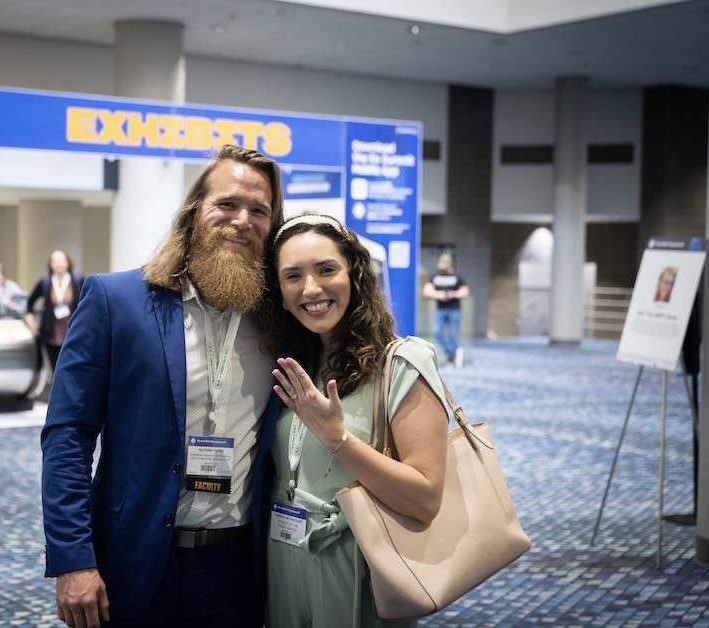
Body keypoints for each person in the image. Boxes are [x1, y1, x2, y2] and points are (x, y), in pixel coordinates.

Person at [40, 144, 285, 628]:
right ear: (195, 212)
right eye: (228, 204)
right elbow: (68, 435)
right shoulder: (117, 301)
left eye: (260, 210)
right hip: (131, 562)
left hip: (236, 570)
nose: (243, 220)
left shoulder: (279, 322)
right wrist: (73, 558)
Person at [259, 214, 451, 628]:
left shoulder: (401, 364)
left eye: (326, 270)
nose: (311, 289)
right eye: (293, 276)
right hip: (286, 558)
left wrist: (339, 439)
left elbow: (426, 499)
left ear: (355, 274)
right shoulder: (295, 362)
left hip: (360, 564)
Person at [25, 250, 85, 370]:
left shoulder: (77, 280)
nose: (58, 264)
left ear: (68, 263)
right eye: (55, 261)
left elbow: (87, 301)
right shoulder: (45, 282)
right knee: (56, 368)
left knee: (72, 366)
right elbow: (30, 302)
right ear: (50, 264)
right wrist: (31, 320)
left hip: (72, 330)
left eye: (61, 261)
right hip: (51, 332)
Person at [422, 253, 469, 366]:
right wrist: (440, 295)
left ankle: (451, 359)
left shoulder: (457, 277)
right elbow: (426, 291)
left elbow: (465, 291)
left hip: (454, 309)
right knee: (437, 333)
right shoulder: (435, 276)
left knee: (453, 335)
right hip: (440, 310)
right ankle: (452, 354)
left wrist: (453, 294)